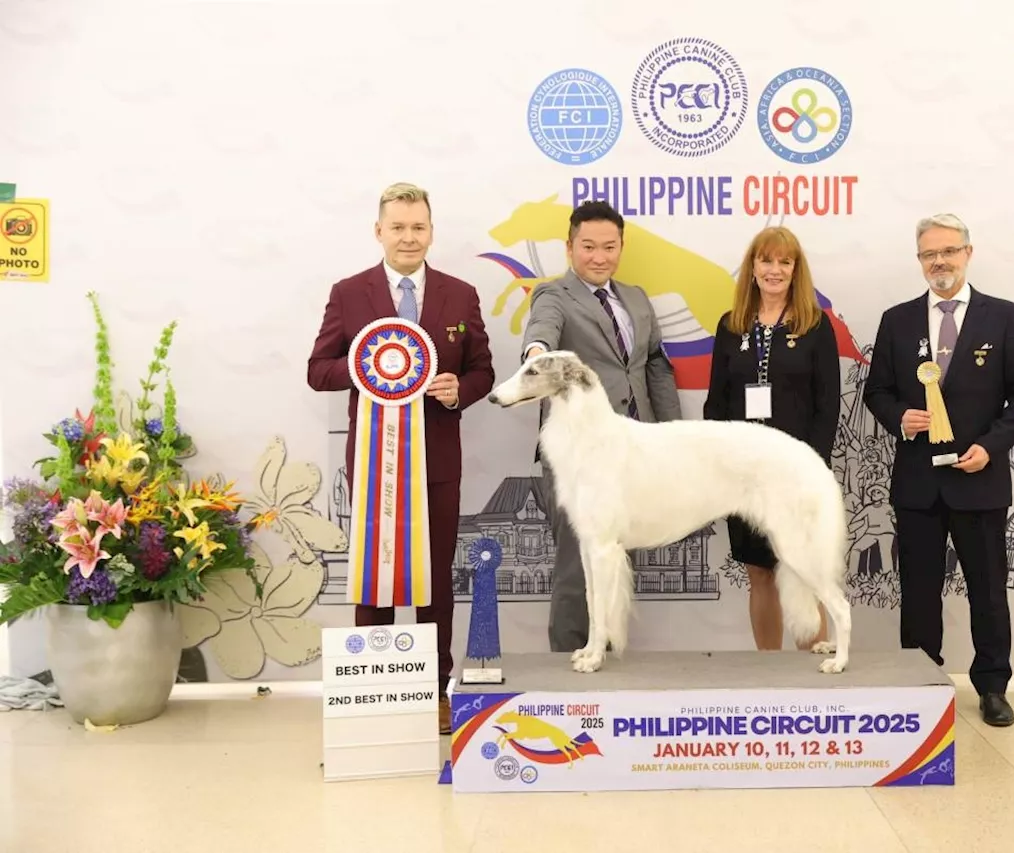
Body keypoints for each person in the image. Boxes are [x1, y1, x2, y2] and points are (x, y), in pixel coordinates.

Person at [307, 182, 495, 734]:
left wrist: (457, 388)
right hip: (373, 464)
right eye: (398, 227)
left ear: (431, 232)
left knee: (435, 578)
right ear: (379, 231)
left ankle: (437, 691)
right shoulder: (349, 293)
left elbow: (482, 368)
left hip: (437, 462)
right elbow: (319, 370)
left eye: (418, 227)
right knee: (375, 576)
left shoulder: (460, 294)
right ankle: (376, 688)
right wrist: (366, 368)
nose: (408, 237)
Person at [863, 213, 1014, 727]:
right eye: (928, 255)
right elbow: (877, 391)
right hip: (917, 481)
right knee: (918, 590)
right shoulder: (897, 320)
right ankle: (919, 682)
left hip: (979, 478)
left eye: (948, 252)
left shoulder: (1004, 316)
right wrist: (899, 417)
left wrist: (992, 446)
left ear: (968, 252)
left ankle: (992, 687)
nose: (939, 262)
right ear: (919, 261)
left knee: (987, 590)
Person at [522, 200, 682, 653]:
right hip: (581, 453)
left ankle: (605, 653)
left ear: (621, 247)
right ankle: (568, 666)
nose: (599, 256)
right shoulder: (553, 296)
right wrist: (536, 357)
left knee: (613, 557)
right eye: (588, 246)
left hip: (637, 448)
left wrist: (672, 432)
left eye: (609, 247)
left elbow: (655, 367)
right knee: (577, 562)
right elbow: (541, 333)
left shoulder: (635, 298)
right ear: (569, 247)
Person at [703, 226, 841, 651]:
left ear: (796, 269)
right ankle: (769, 669)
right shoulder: (731, 326)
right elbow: (716, 405)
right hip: (744, 478)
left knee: (801, 572)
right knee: (759, 573)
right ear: (753, 267)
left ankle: (811, 667)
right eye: (766, 260)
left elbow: (828, 405)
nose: (775, 269)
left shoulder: (817, 326)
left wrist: (810, 469)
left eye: (785, 261)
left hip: (796, 475)